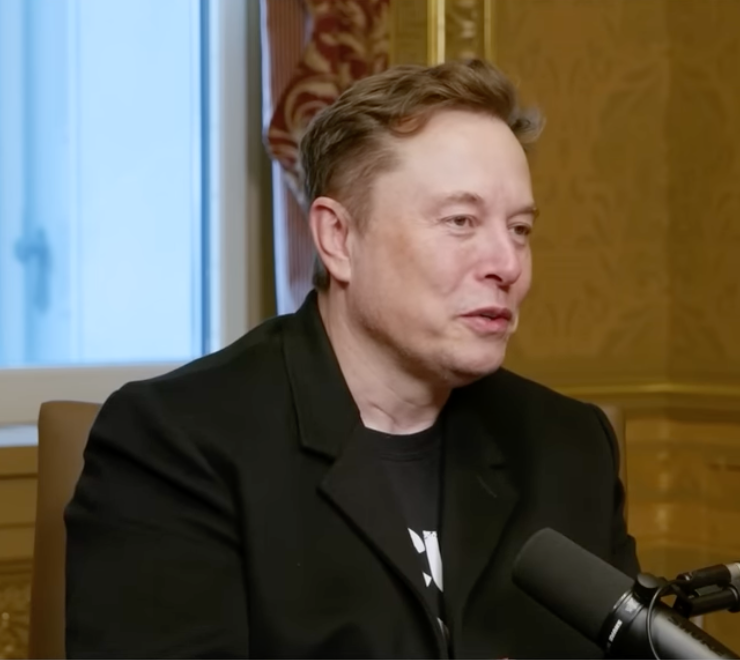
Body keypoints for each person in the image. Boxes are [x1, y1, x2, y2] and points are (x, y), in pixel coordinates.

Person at [64, 58, 639, 659]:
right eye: (461, 221)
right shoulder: (175, 444)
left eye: (519, 229)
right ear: (338, 238)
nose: (507, 264)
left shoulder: (568, 446)